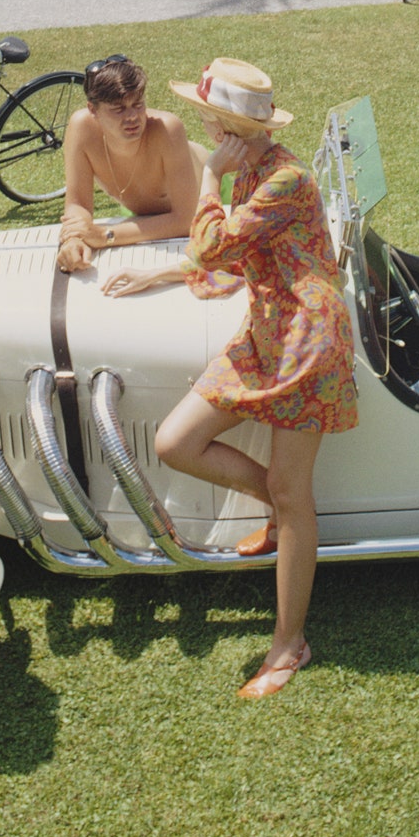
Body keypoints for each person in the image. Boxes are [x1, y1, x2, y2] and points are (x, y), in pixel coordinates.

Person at [107, 58, 357, 701]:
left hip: (306, 338)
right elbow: (231, 254)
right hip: (269, 324)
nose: (202, 126)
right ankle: (280, 511)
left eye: (210, 120)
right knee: (175, 442)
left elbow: (218, 245)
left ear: (231, 126)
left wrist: (210, 174)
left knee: (293, 487)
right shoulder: (252, 168)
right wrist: (163, 274)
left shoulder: (282, 177)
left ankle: (288, 643)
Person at [55, 55, 205, 275]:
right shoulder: (81, 128)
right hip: (142, 213)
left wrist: (106, 235)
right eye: (118, 109)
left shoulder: (167, 129)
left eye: (138, 105)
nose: (132, 117)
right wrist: (74, 238)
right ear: (93, 109)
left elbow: (184, 220)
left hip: (209, 197)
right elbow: (78, 203)